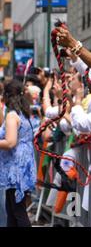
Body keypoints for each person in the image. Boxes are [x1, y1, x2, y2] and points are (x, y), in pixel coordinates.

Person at [0, 80, 36, 227]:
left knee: (18, 212)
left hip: (16, 169)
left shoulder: (12, 116)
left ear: (7, 97)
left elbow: (10, 142)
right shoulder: (23, 114)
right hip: (22, 166)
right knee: (12, 211)